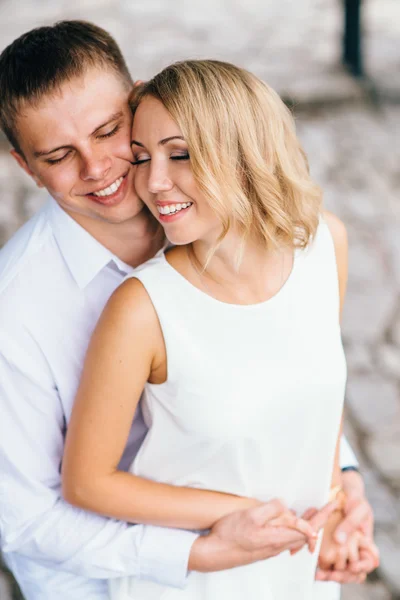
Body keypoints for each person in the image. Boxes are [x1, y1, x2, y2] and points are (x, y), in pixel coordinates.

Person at [0, 21, 377, 600]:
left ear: (142, 101)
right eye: (58, 156)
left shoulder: (209, 219)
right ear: (26, 165)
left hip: (275, 551)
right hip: (104, 581)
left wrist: (340, 487)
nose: (99, 168)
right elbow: (28, 519)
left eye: (108, 131)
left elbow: (284, 374)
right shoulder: (18, 306)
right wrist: (197, 550)